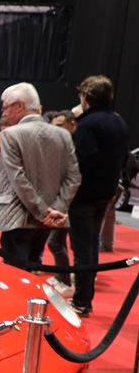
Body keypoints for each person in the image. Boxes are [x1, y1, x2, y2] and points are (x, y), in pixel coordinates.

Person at [0, 83, 80, 270]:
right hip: (47, 222)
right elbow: (74, 178)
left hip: (17, 219)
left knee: (14, 275)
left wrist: (44, 212)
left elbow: (18, 179)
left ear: (19, 106)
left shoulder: (10, 135)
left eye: (5, 107)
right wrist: (56, 209)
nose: (4, 113)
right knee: (32, 273)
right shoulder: (63, 135)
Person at [68, 75, 131, 317]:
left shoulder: (88, 124)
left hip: (85, 196)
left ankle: (82, 301)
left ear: (86, 96)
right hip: (106, 194)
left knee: (83, 249)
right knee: (92, 246)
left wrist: (69, 191)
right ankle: (86, 298)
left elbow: (82, 162)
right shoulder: (118, 121)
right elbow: (125, 158)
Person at [45, 110, 79, 296]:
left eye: (60, 126)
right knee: (59, 242)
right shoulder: (63, 146)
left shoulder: (74, 147)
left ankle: (66, 281)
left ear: (72, 125)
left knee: (56, 242)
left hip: (70, 204)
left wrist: (61, 204)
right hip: (62, 203)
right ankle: (61, 277)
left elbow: (73, 179)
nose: (55, 130)